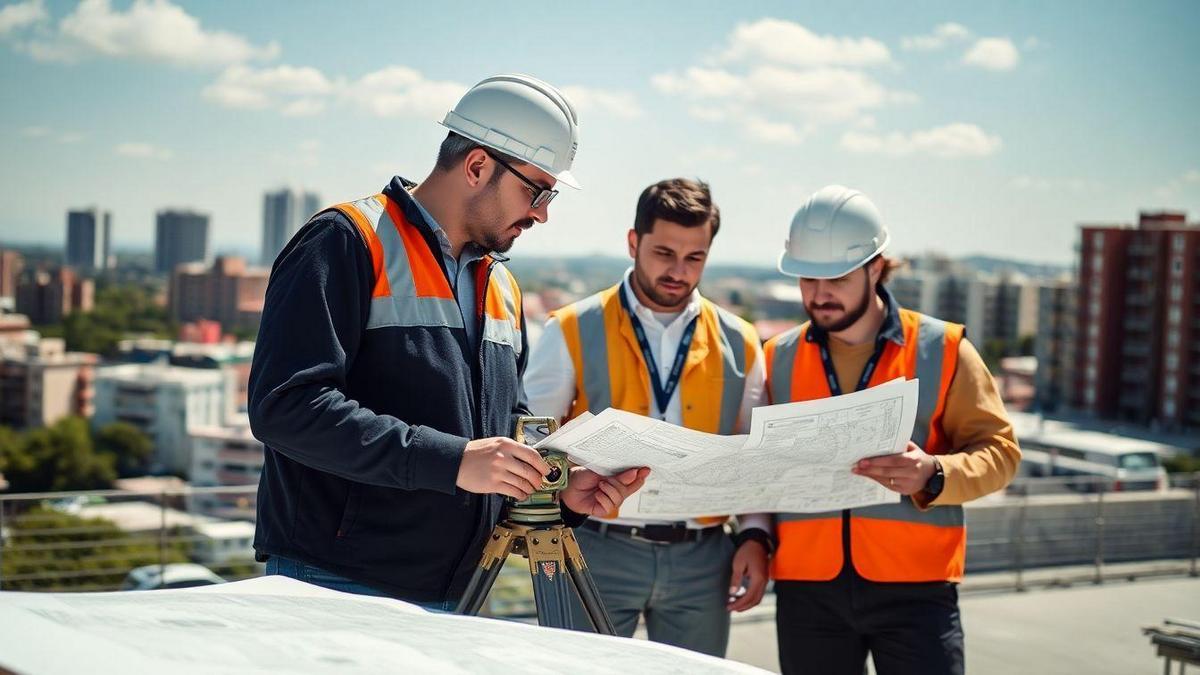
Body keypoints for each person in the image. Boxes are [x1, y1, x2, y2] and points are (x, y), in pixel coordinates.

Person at [247, 73, 648, 610]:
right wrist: (452, 460)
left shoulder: (499, 284)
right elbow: (286, 407)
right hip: (334, 584)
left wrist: (558, 491)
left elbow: (500, 433)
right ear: (478, 166)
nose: (542, 213)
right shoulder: (346, 241)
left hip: (456, 593)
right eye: (536, 190)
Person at [764, 185, 1021, 674]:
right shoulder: (778, 358)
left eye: (836, 278)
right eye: (807, 279)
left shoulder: (944, 349)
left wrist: (934, 472)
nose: (819, 295)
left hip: (917, 592)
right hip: (806, 591)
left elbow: (1001, 452)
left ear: (876, 267)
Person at [523, 178, 773, 656]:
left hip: (704, 560)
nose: (678, 270)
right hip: (595, 547)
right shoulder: (571, 327)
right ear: (633, 242)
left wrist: (756, 538)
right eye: (664, 253)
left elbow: (753, 457)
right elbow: (534, 443)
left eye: (695, 257)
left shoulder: (741, 340)